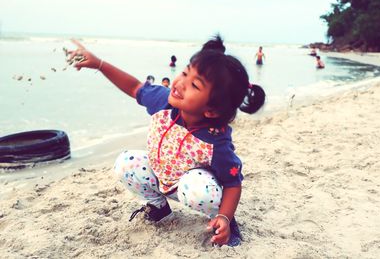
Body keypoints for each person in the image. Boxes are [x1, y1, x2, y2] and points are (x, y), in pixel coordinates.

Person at [68, 35, 266, 247]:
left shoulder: (215, 143)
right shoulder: (163, 102)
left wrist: (226, 216)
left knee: (198, 188)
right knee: (126, 162)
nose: (180, 83)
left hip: (193, 188)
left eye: (194, 85)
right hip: (161, 177)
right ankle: (158, 207)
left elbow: (232, 183)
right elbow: (135, 87)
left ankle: (220, 220)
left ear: (211, 110)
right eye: (184, 72)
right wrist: (99, 64)